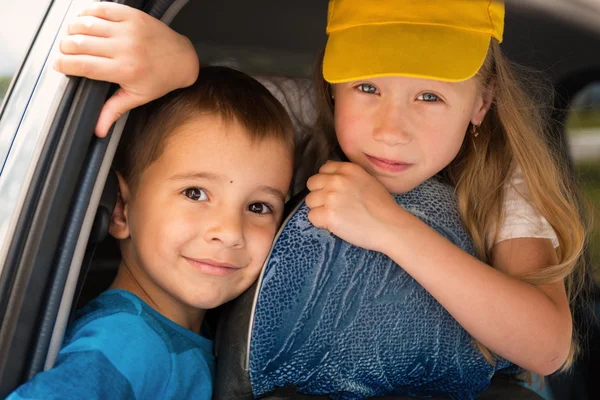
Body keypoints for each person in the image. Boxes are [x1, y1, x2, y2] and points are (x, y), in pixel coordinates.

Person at [54, 0, 587, 392]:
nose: (390, 128)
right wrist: (185, 64)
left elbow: (547, 346)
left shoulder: (501, 181)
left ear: (481, 103)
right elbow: (214, 123)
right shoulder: (301, 136)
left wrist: (392, 228)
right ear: (332, 86)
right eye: (366, 87)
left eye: (429, 95)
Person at [7, 66, 295, 399]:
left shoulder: (187, 333)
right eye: (195, 193)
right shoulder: (126, 344)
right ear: (121, 209)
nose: (230, 232)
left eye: (258, 207)